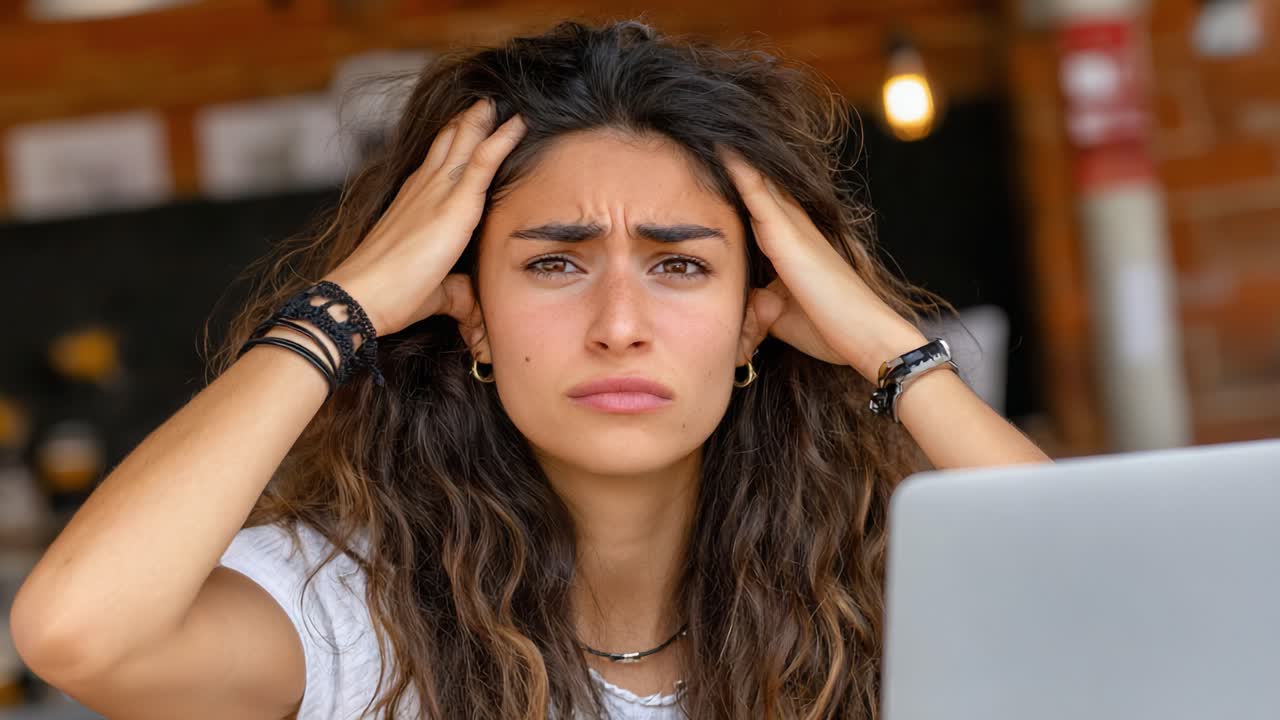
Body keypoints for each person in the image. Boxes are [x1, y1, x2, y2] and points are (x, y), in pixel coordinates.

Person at [9, 18, 1051, 720]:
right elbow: (76, 632)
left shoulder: (880, 584)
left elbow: (1113, 608)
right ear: (465, 312)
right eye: (553, 262)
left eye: (679, 264)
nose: (617, 324)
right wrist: (344, 309)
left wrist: (889, 347)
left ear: (758, 315)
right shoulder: (352, 610)